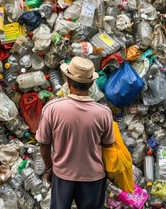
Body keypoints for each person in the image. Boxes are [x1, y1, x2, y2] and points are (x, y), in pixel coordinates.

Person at [36, 56, 114, 209]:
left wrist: (48, 169)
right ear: (91, 83)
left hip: (63, 175)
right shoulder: (104, 113)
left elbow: (44, 144)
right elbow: (108, 144)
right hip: (93, 177)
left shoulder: (52, 109)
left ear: (67, 80)